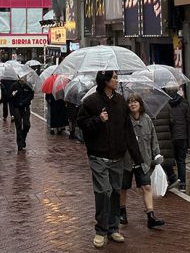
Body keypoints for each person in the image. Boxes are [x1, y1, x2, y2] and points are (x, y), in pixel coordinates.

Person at [77, 71, 143, 249]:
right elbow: (81, 124)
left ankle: (114, 228)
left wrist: (137, 157)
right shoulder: (90, 102)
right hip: (98, 156)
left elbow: (128, 130)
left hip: (118, 157)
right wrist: (98, 120)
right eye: (114, 77)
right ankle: (100, 230)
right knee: (103, 192)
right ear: (105, 80)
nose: (117, 80)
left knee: (115, 191)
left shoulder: (121, 101)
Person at [119, 94, 165, 229]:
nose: (133, 104)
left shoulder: (147, 120)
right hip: (126, 160)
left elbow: (153, 139)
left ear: (140, 104)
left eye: (135, 102)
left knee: (147, 186)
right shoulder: (124, 121)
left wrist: (157, 155)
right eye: (130, 102)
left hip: (143, 160)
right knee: (123, 187)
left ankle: (151, 215)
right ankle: (122, 212)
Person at [166, 85, 190, 192]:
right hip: (182, 136)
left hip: (169, 136)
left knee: (167, 160)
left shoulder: (165, 103)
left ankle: (171, 178)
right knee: (181, 161)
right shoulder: (184, 102)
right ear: (177, 90)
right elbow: (189, 121)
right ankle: (182, 184)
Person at [10, 75, 35, 151]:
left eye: (23, 77)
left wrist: (24, 102)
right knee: (18, 125)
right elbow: (9, 97)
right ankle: (20, 144)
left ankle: (23, 138)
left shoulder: (28, 86)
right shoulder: (14, 86)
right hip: (17, 108)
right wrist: (13, 95)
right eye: (21, 77)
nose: (22, 79)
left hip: (25, 107)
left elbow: (31, 95)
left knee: (27, 125)